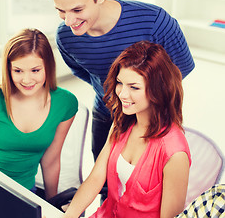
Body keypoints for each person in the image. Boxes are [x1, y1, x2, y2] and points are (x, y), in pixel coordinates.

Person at [46, 0, 195, 167]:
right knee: (106, 181)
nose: (69, 21)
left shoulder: (155, 21)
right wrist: (110, 91)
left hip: (153, 117)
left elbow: (180, 69)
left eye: (77, 10)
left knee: (148, 184)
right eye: (61, 11)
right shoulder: (66, 36)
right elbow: (82, 72)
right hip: (106, 113)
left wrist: (140, 102)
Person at [61, 41, 191, 218]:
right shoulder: (121, 124)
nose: (122, 94)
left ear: (158, 90)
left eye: (134, 87)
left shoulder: (175, 153)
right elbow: (95, 179)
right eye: (120, 83)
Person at [0, 28, 78, 200]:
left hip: (24, 193)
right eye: (18, 71)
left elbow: (51, 160)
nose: (27, 80)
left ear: (48, 67)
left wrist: (52, 204)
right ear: (8, 69)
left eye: (35, 70)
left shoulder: (65, 103)